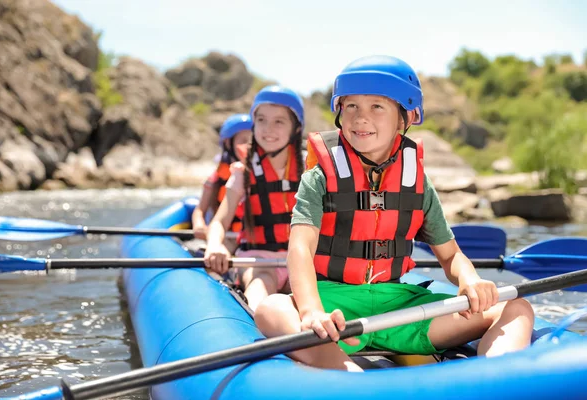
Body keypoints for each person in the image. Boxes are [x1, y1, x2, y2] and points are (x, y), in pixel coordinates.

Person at [254, 55, 535, 371]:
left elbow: (450, 255)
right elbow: (300, 248)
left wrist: (470, 279)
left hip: (400, 310)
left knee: (516, 307)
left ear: (404, 118)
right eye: (351, 107)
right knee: (271, 309)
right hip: (334, 311)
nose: (361, 118)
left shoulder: (416, 182)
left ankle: (498, 377)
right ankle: (343, 371)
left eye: (377, 107)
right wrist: (311, 311)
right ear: (339, 114)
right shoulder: (319, 178)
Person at [204, 86, 305, 311]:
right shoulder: (243, 172)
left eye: (279, 121)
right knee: (260, 292)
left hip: (300, 262)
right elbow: (220, 221)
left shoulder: (311, 169)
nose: (268, 129)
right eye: (261, 120)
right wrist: (214, 246)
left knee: (305, 294)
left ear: (296, 128)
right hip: (257, 262)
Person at [191, 114, 252, 244]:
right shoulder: (216, 178)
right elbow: (200, 209)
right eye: (242, 141)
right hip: (225, 237)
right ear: (228, 144)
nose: (247, 146)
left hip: (252, 241)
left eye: (252, 141)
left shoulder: (262, 174)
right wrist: (199, 224)